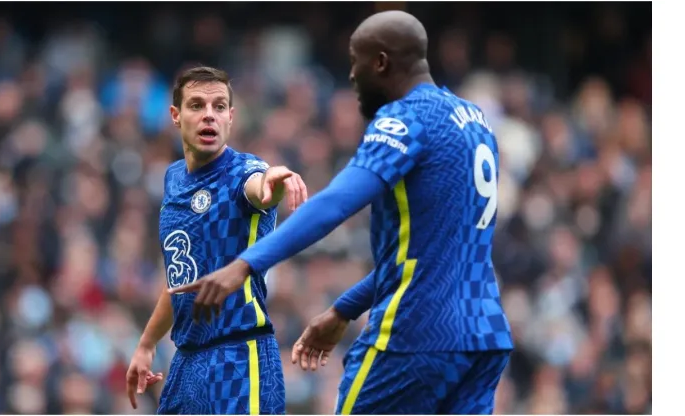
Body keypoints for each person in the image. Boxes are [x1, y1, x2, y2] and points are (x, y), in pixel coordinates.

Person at [170, 10, 513, 415]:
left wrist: (243, 265)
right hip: (485, 336)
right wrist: (342, 309)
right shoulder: (475, 122)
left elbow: (335, 203)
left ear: (381, 63)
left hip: (417, 333)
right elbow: (428, 254)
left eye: (357, 61)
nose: (352, 75)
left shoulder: (405, 118)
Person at [126, 66, 308, 415]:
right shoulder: (173, 178)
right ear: (176, 116)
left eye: (219, 106)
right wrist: (146, 345)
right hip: (186, 363)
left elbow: (260, 186)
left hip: (240, 357)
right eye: (196, 105)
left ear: (231, 117)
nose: (209, 114)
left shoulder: (243, 172)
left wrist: (275, 178)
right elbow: (181, 278)